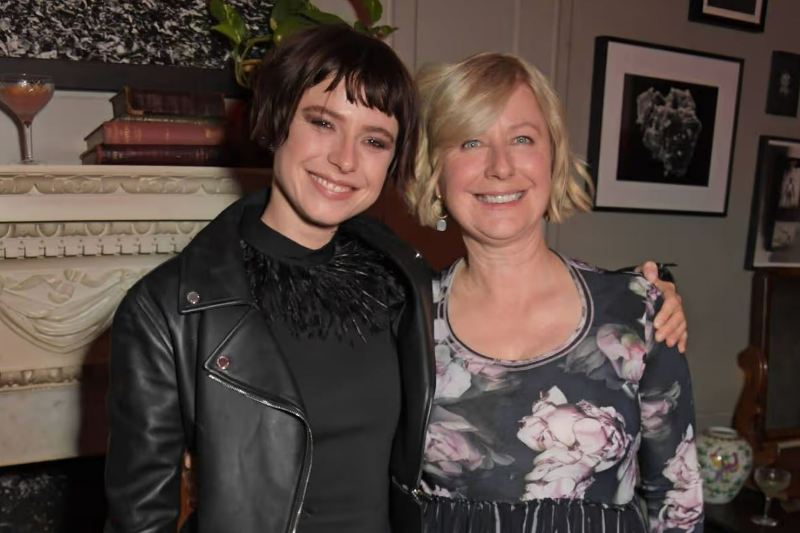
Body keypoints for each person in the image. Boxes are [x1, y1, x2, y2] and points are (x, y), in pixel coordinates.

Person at [104, 26, 688, 533]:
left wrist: (650, 295)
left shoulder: (396, 286)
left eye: (375, 140)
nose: (344, 159)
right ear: (275, 119)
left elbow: (674, 495)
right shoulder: (170, 310)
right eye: (322, 122)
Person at [404, 53, 702, 532]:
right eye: (471, 141)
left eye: (522, 138)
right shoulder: (403, 318)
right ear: (435, 171)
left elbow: (678, 496)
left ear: (553, 157)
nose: (500, 167)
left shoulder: (638, 310)